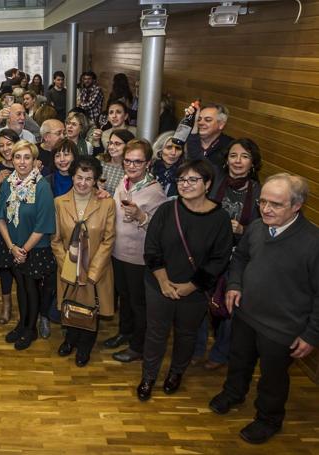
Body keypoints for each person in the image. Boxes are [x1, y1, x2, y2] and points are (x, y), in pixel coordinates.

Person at [209, 173, 318, 444]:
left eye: (275, 204)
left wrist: (312, 334)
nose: (266, 209)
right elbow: (242, 257)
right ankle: (233, 393)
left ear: (297, 206)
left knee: (272, 378)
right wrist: (234, 284)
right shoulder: (257, 227)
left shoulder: (313, 242)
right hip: (246, 314)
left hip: (282, 328)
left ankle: (268, 419)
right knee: (239, 360)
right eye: (262, 202)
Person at [137, 160, 233, 401]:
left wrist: (191, 286)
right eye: (181, 180)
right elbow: (151, 248)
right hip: (159, 284)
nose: (185, 184)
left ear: (207, 183)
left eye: (193, 180)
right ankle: (148, 377)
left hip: (195, 290)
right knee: (156, 333)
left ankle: (176, 373)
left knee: (186, 334)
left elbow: (219, 259)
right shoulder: (167, 210)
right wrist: (163, 281)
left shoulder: (220, 218)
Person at [193, 138, 263, 370]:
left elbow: (262, 230)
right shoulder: (215, 182)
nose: (238, 161)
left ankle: (221, 353)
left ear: (252, 162)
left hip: (238, 260)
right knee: (200, 301)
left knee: (230, 306)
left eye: (244, 156)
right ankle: (197, 348)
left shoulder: (259, 192)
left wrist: (243, 230)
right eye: (233, 155)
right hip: (208, 254)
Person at [106, 140, 167, 363]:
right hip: (118, 252)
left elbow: (161, 230)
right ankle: (125, 332)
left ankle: (138, 346)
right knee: (124, 297)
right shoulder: (124, 183)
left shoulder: (155, 191)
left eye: (137, 162)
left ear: (148, 163)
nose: (131, 166)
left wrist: (141, 217)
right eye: (128, 161)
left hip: (138, 257)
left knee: (138, 304)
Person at [52, 156, 116, 367]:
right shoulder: (59, 203)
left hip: (96, 270)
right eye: (79, 177)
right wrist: (67, 267)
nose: (83, 183)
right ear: (72, 176)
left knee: (90, 309)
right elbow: (56, 239)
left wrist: (92, 272)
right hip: (68, 269)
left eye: (89, 179)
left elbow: (108, 240)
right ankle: (70, 340)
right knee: (71, 306)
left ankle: (86, 346)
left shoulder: (107, 203)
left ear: (96, 180)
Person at [0, 141, 56, 350]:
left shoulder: (42, 187)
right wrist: (12, 247)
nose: (22, 162)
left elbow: (43, 225)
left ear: (34, 160)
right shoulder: (7, 184)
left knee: (32, 290)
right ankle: (22, 324)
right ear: (12, 160)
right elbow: (1, 218)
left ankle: (30, 330)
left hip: (34, 248)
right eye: (18, 157)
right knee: (20, 287)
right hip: (13, 247)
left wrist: (23, 250)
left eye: (27, 157)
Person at [0, 129, 19, 325]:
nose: (6, 148)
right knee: (5, 268)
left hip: (23, 226)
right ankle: (6, 305)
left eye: (9, 143)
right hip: (2, 226)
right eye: (2, 145)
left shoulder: (26, 163)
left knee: (24, 268)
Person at [184, 102, 233, 171]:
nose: (200, 123)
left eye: (208, 120)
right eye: (198, 119)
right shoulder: (189, 139)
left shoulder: (230, 146)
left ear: (221, 124)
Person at [99, 129, 135, 196]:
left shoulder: (131, 169)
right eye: (110, 143)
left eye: (117, 144)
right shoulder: (100, 161)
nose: (111, 147)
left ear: (128, 146)